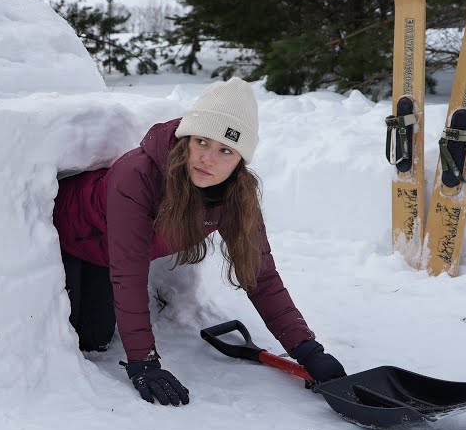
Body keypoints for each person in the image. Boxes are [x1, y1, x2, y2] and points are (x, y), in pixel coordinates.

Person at [51, 77, 345, 406]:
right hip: (64, 236)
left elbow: (261, 275)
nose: (208, 158)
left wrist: (307, 350)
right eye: (202, 141)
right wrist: (143, 362)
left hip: (106, 254)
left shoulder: (236, 196)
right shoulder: (137, 176)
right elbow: (129, 273)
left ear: (240, 161)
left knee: (95, 338)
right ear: (186, 137)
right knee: (69, 338)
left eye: (226, 150)